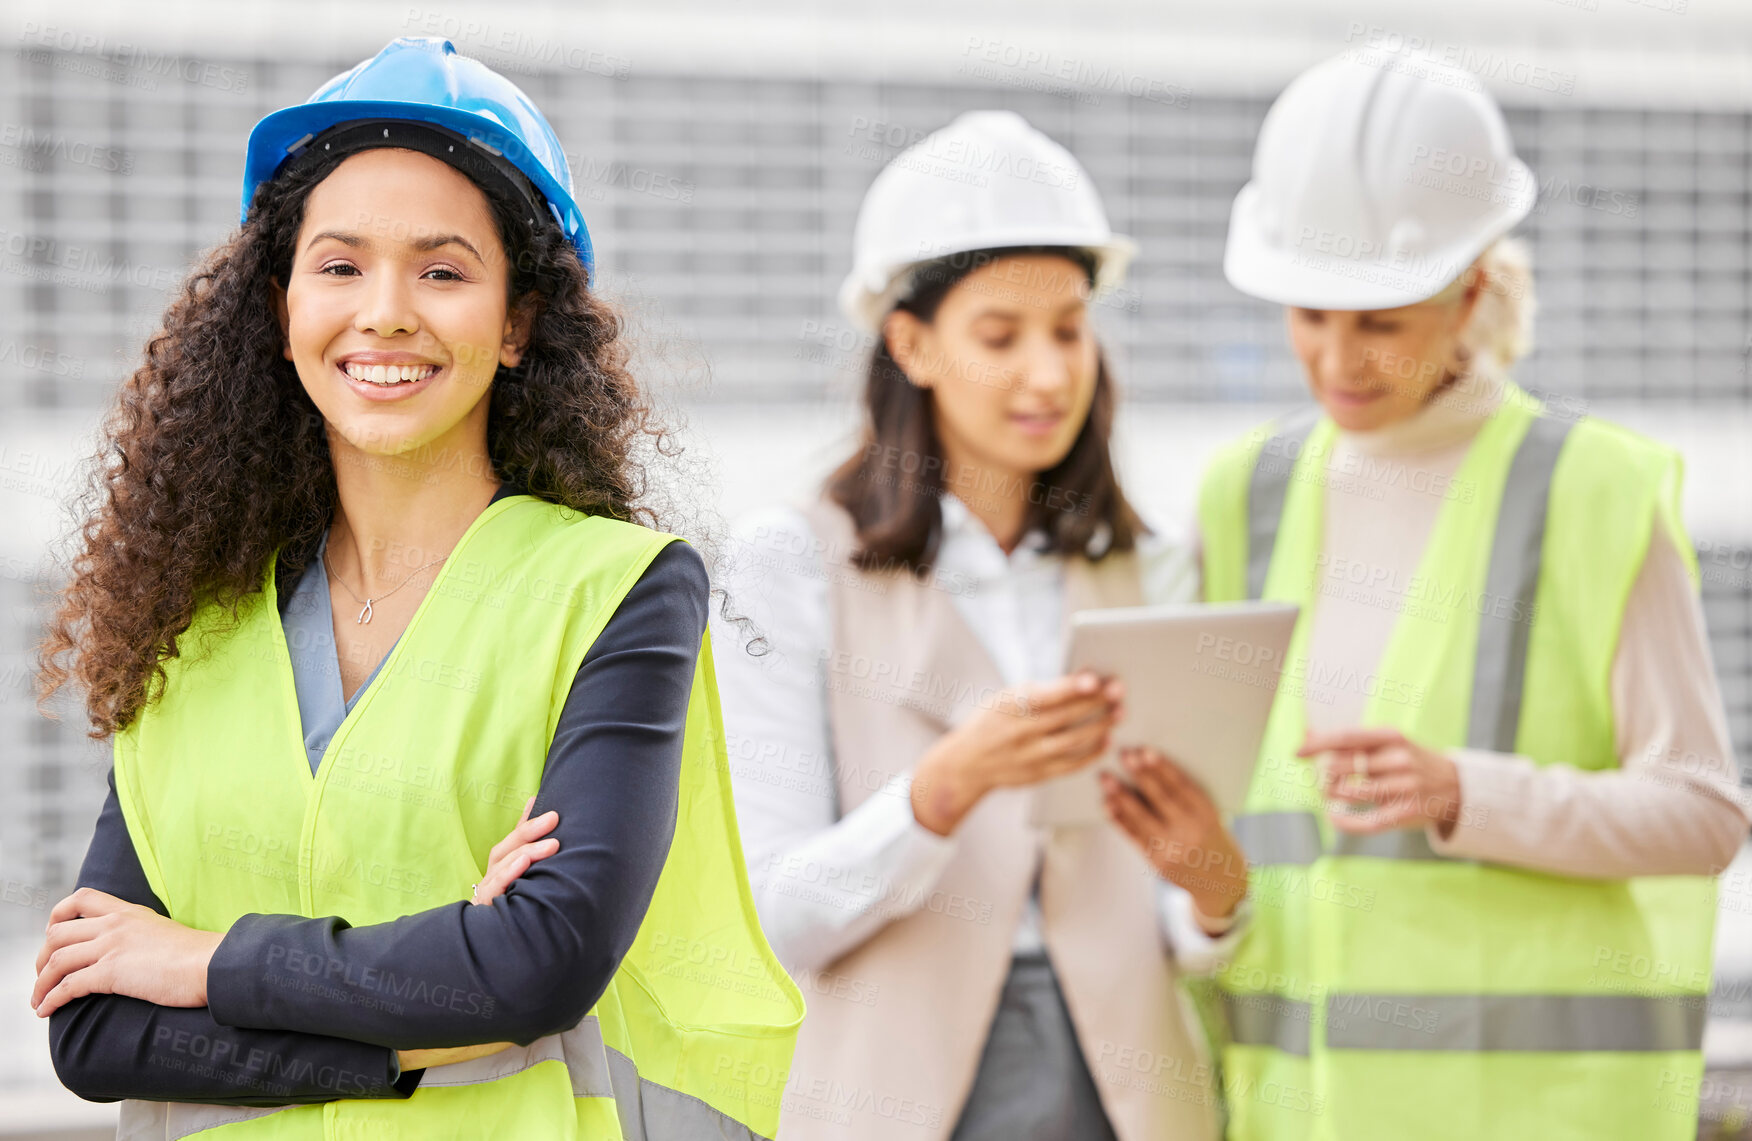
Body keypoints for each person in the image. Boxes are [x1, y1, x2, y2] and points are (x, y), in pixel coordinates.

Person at [30, 36, 801, 1140]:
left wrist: (200, 960)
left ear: (519, 321)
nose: (386, 312)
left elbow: (538, 964)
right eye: (339, 266)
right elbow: (95, 1030)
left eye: (442, 271)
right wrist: (422, 1028)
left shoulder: (618, 591)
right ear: (282, 309)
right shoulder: (191, 621)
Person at [1195, 49, 1748, 1139]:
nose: (1336, 359)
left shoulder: (1594, 488)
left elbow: (1703, 813)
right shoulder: (1241, 495)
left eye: (1381, 323)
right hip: (1294, 1113)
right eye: (1311, 315)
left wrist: (1464, 793)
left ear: (1472, 293)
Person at [712, 110, 1241, 1141]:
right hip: (890, 1095)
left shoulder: (1159, 566)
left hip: (1127, 1091)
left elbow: (1184, 921)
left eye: (1070, 327)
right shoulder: (789, 562)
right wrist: (943, 789)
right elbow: (779, 915)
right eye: (1001, 336)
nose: (1048, 374)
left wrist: (1212, 887)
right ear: (909, 342)